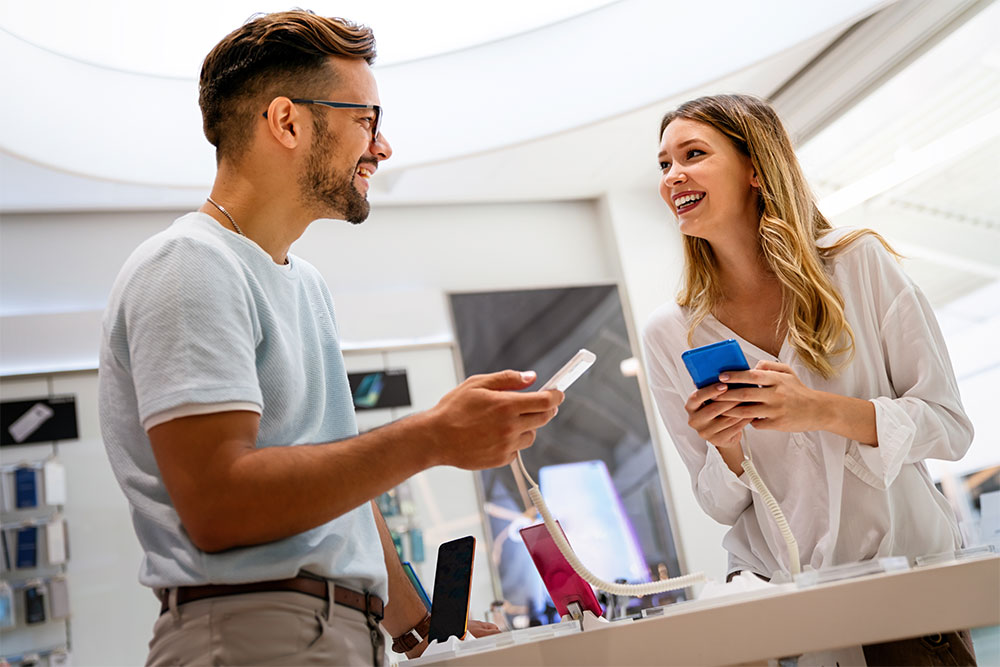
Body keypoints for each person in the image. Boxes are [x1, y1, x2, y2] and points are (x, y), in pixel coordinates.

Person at [97, 10, 563, 666]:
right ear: (288, 121)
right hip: (253, 635)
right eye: (366, 120)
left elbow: (338, 497)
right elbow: (220, 502)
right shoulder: (188, 264)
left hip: (335, 631)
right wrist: (431, 436)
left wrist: (420, 625)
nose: (383, 146)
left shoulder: (305, 284)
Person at [641, 94, 977, 665]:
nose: (674, 176)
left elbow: (949, 428)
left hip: (903, 601)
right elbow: (720, 505)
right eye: (664, 164)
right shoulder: (670, 333)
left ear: (755, 168)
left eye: (693, 154)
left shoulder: (858, 265)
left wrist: (819, 409)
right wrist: (725, 448)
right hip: (784, 624)